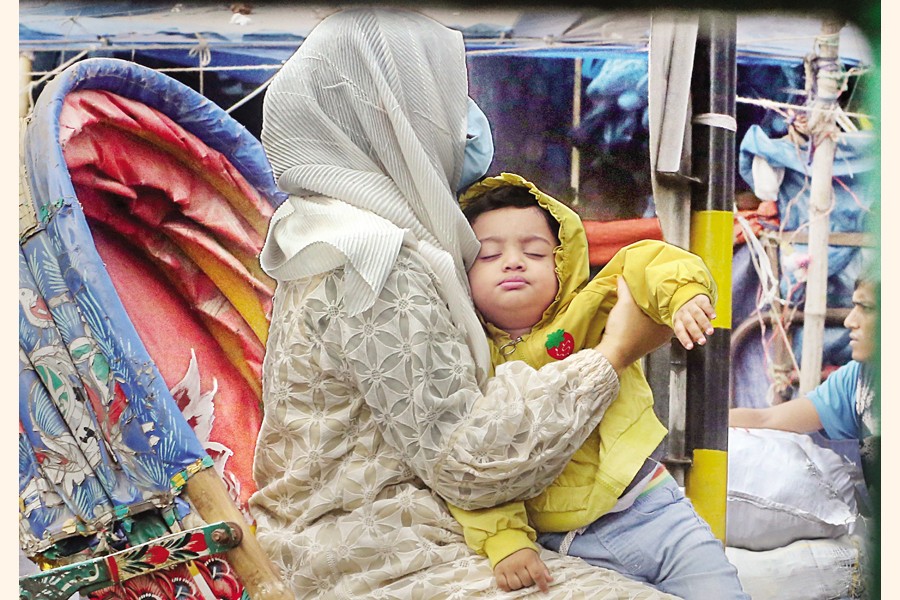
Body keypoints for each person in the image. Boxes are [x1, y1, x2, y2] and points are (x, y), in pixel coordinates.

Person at [249, 8, 680, 598]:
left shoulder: (321, 229)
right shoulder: (374, 260)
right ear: (393, 116)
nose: (463, 124)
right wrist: (612, 355)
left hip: (361, 542)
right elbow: (468, 464)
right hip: (382, 559)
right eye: (447, 98)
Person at [448, 173, 749, 599]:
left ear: (565, 261)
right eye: (489, 254)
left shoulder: (590, 306)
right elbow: (470, 465)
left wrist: (684, 295)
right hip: (559, 546)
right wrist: (505, 539)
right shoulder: (468, 362)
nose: (513, 261)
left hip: (651, 508)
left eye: (534, 251)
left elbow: (647, 261)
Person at [729, 272, 880, 484]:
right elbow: (767, 419)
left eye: (866, 308)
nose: (849, 321)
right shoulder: (859, 379)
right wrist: (700, 429)